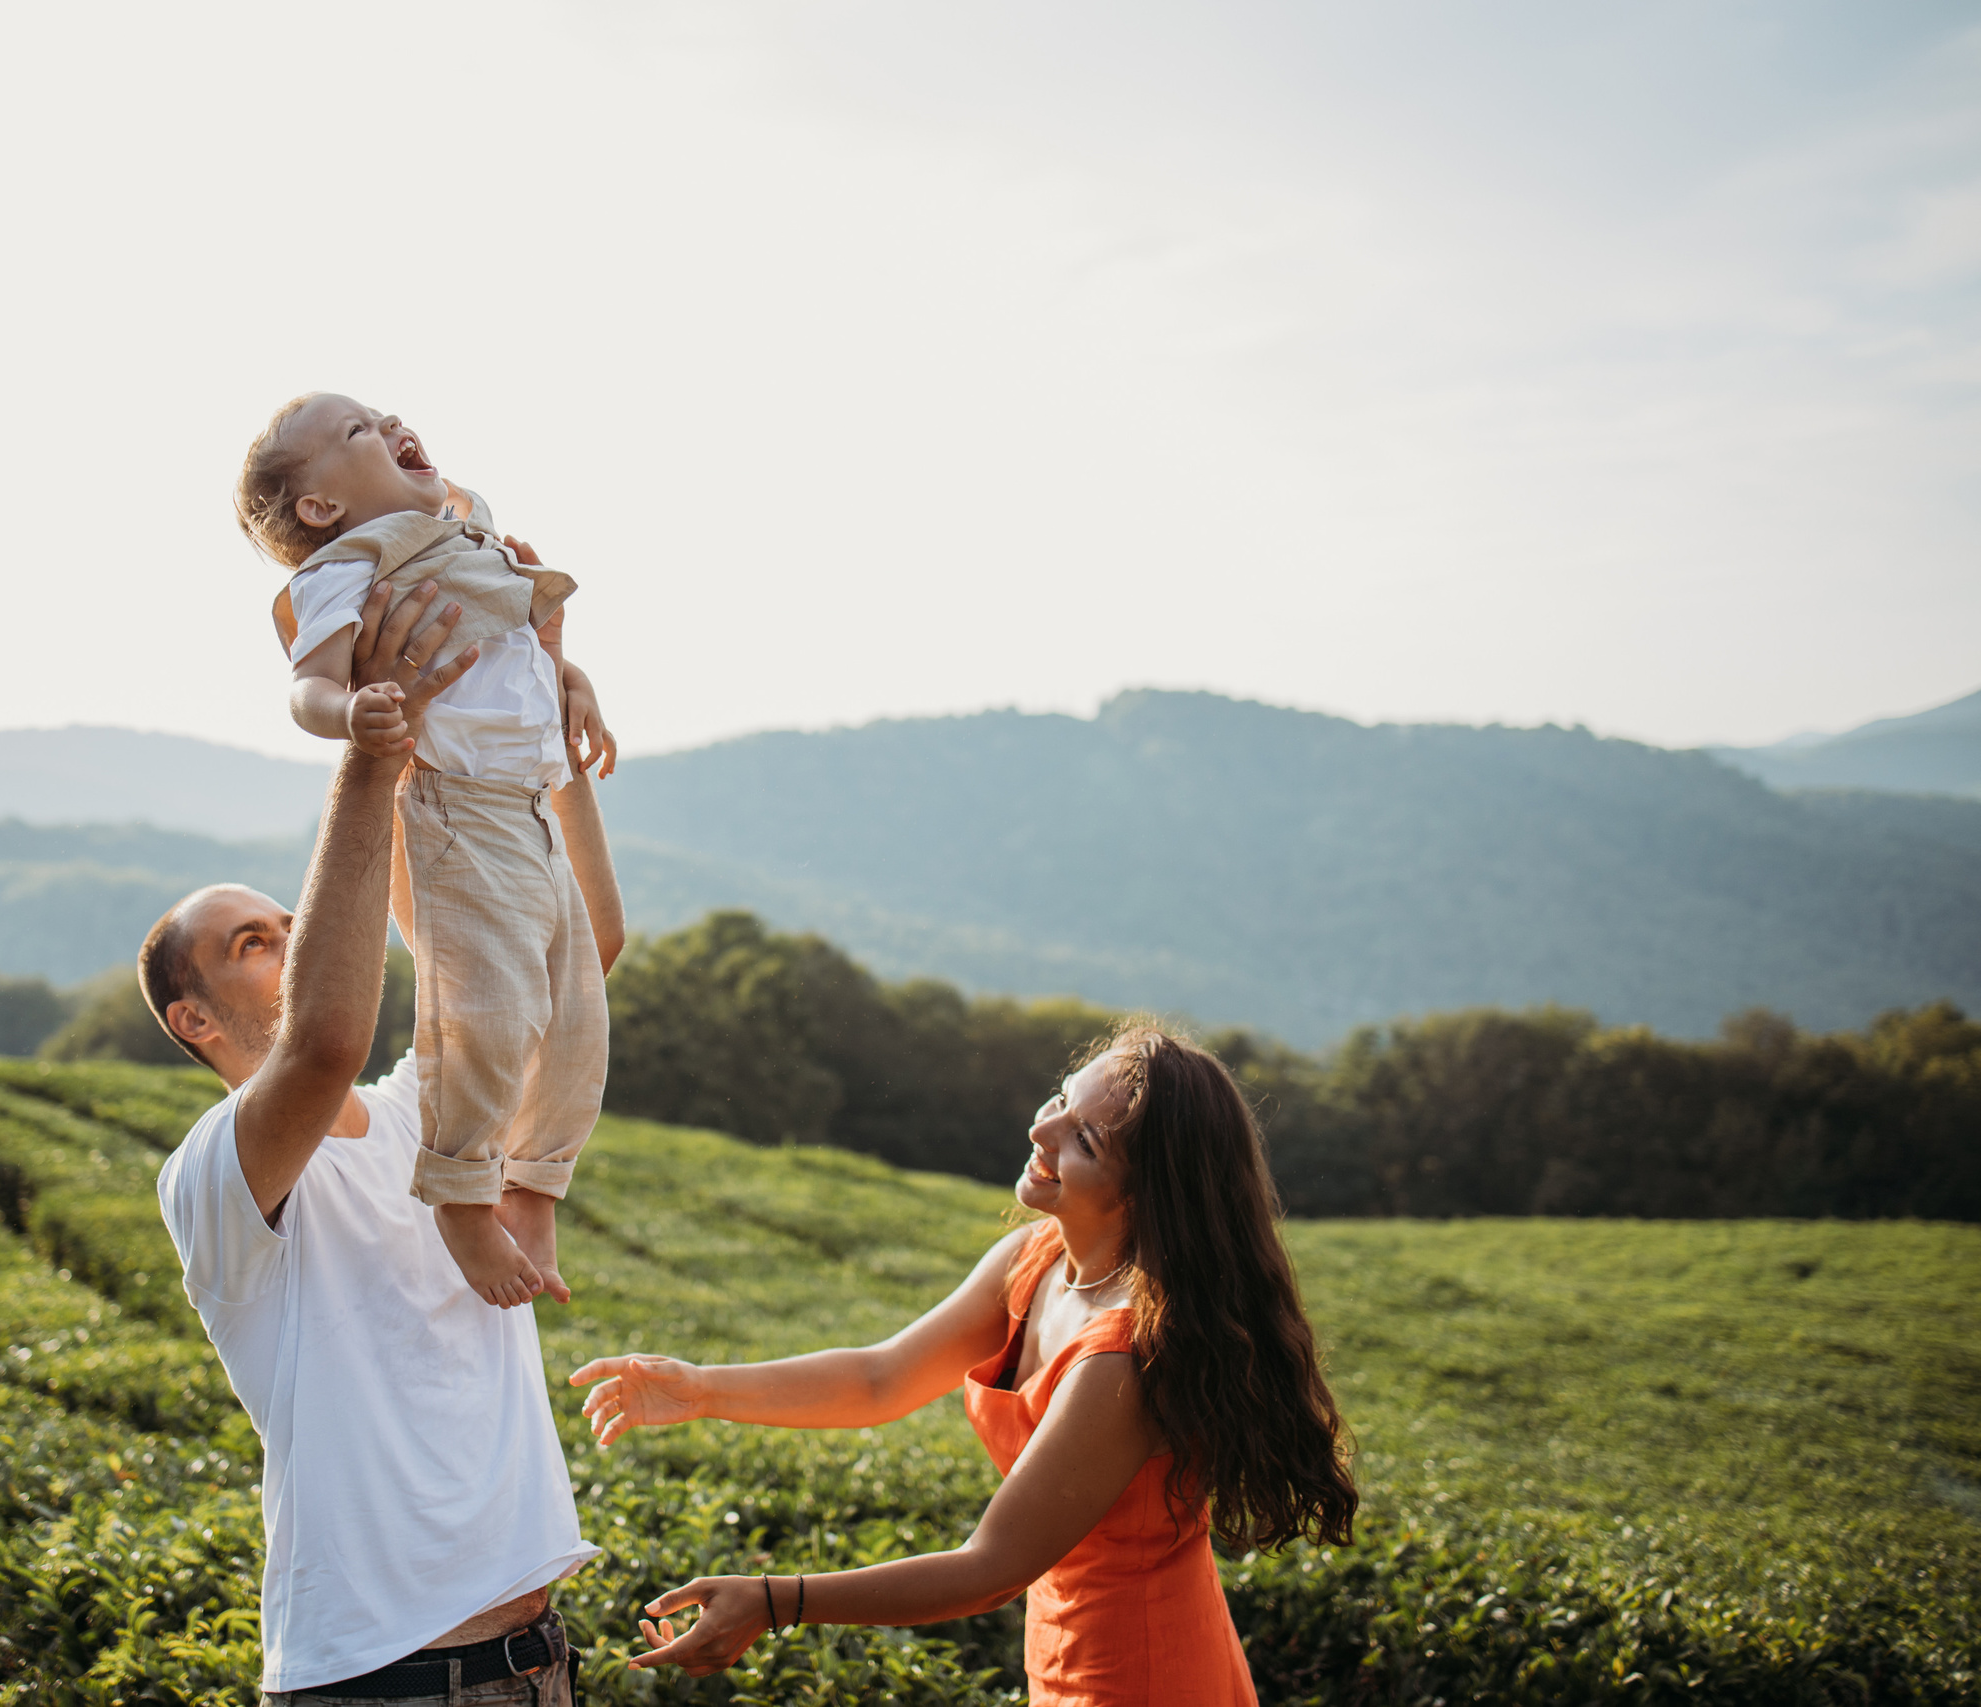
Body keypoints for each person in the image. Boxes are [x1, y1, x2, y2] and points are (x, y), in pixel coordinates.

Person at [570, 1027, 1359, 1706]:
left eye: (1083, 1140)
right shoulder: (1035, 1259)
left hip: (1145, 1673)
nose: (1041, 1130)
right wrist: (702, 1387)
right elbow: (881, 1378)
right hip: (1064, 1646)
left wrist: (775, 1600)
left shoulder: (1123, 1358)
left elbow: (990, 1568)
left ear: (1147, 1194)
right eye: (1060, 1099)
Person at [149, 581, 626, 1704]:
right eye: (254, 942)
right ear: (194, 1020)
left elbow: (575, 957)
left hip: (532, 1665)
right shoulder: (213, 1172)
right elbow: (323, 1044)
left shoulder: (427, 1114)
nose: (293, 938)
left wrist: (534, 714)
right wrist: (369, 750)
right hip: (381, 1680)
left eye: (291, 922)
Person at [236, 391, 616, 1310]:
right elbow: (308, 685)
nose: (390, 423)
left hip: (532, 801)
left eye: (382, 413)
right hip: (459, 809)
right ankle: (461, 1194)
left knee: (576, 1016)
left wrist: (572, 681)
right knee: (484, 1008)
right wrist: (354, 713)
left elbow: (518, 656)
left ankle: (533, 1189)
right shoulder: (349, 566)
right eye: (358, 431)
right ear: (321, 506)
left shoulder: (463, 532)